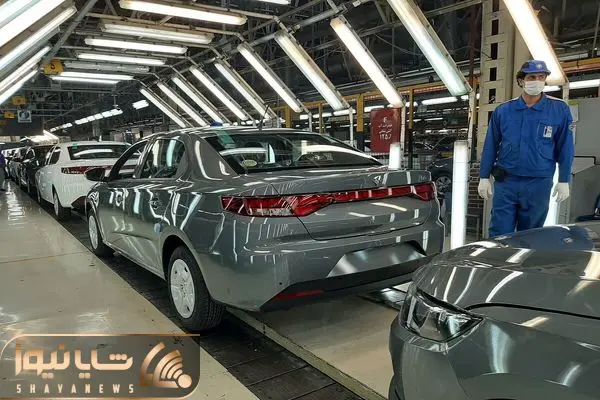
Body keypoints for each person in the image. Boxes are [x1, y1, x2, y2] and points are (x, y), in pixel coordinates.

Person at [478, 60, 575, 238]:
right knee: (500, 231)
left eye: (541, 77)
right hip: (506, 182)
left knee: (531, 234)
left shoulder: (559, 110)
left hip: (539, 183)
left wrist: (564, 179)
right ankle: (498, 257)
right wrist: (484, 176)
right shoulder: (504, 111)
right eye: (531, 77)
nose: (537, 81)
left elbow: (566, 147)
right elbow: (491, 145)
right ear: (521, 80)